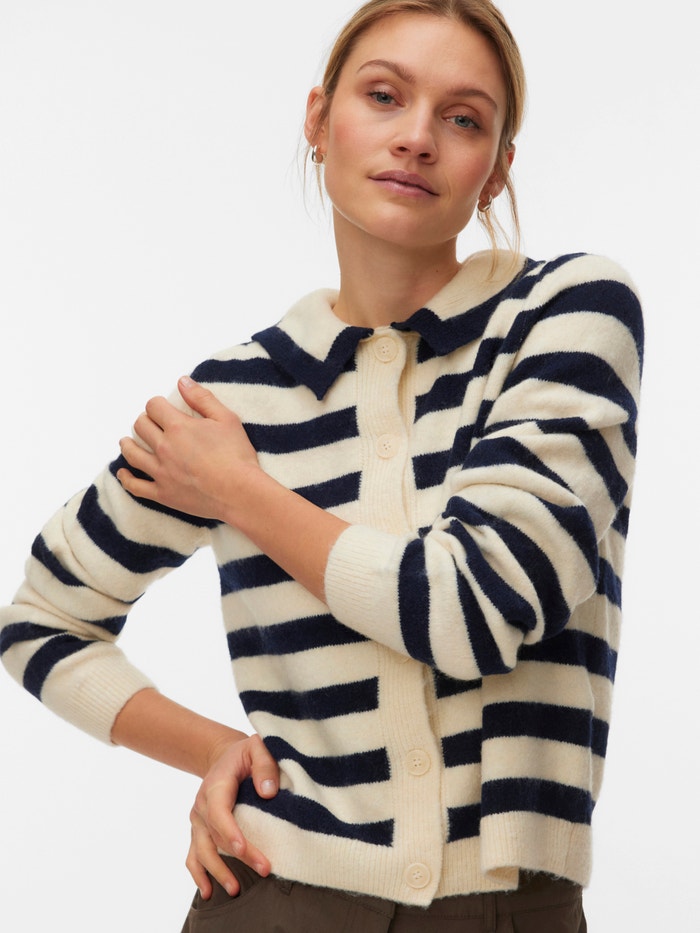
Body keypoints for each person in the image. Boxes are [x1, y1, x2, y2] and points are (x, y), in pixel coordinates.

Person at [0, 0, 643, 930]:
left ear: (497, 168)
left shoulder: (565, 315)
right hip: (270, 898)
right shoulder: (233, 401)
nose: (416, 137)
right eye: (384, 96)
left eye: (463, 118)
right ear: (319, 120)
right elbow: (41, 620)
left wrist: (240, 491)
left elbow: (475, 608)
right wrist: (215, 749)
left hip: (510, 909)